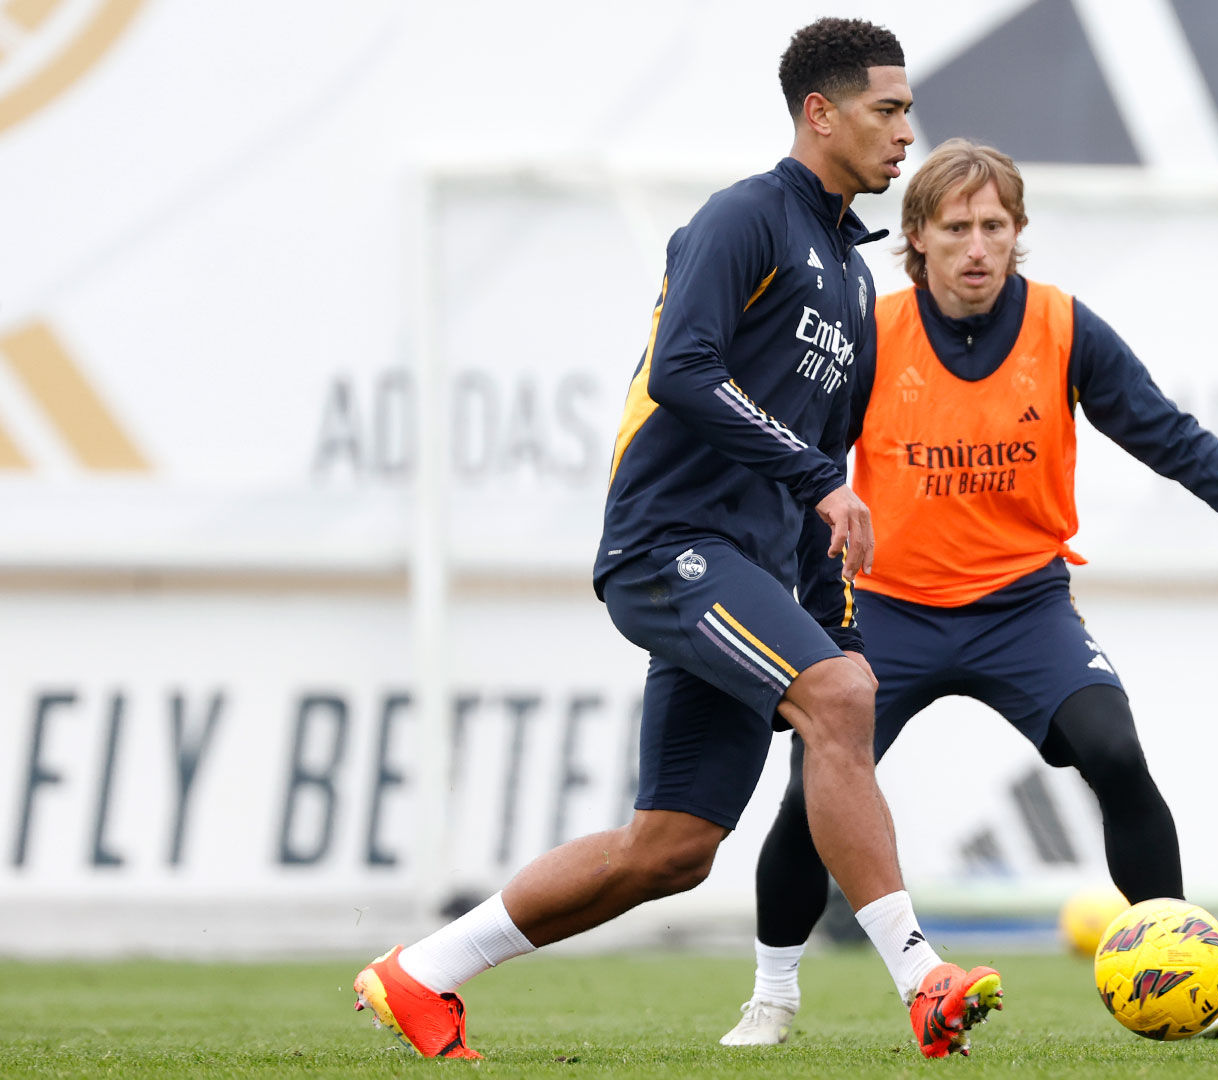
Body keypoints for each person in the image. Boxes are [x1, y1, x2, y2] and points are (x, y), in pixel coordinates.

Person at [350, 22, 1004, 1061]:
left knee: (671, 851)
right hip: (669, 548)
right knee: (840, 697)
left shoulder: (848, 273)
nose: (905, 131)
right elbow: (684, 373)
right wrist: (818, 494)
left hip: (749, 570)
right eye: (888, 109)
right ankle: (923, 981)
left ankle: (419, 974)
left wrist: (826, 607)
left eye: (907, 109)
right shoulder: (746, 217)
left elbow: (818, 475)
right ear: (819, 114)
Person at [719, 139, 1218, 1046]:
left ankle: (1184, 970)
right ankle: (773, 996)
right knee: (813, 796)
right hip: (886, 613)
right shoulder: (871, 332)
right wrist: (797, 616)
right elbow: (803, 472)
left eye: (995, 226)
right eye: (955, 228)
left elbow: (1172, 439)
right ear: (915, 238)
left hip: (1023, 609)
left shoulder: (1064, 328)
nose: (977, 247)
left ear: (1019, 233)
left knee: (1115, 753)